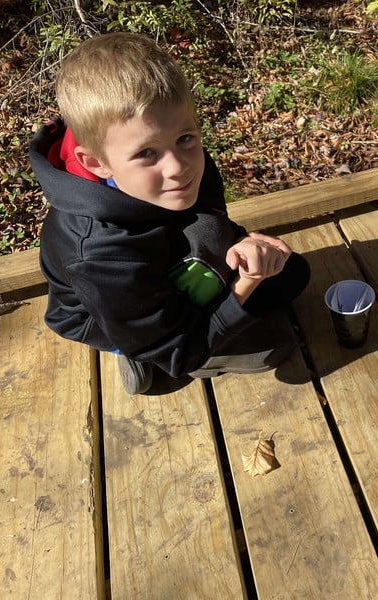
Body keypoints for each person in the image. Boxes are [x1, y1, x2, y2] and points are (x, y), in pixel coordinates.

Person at [30, 32, 310, 394]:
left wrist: (242, 242)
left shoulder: (174, 161)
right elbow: (179, 352)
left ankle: (174, 324)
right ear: (97, 162)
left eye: (185, 139)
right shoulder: (98, 254)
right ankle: (139, 352)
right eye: (146, 153)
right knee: (272, 348)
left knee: (292, 275)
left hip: (162, 257)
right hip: (110, 310)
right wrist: (245, 284)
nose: (178, 167)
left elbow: (211, 216)